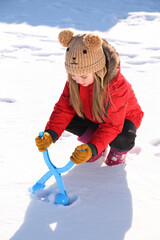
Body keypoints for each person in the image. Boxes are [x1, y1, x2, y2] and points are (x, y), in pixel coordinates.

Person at [35, 30, 144, 166]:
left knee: (123, 140)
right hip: (93, 114)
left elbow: (112, 125)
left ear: (98, 69)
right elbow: (63, 108)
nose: (78, 80)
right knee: (66, 120)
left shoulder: (116, 86)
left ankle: (116, 151)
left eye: (84, 76)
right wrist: (50, 133)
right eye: (73, 75)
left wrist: (92, 147)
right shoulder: (76, 79)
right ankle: (98, 146)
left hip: (121, 120)